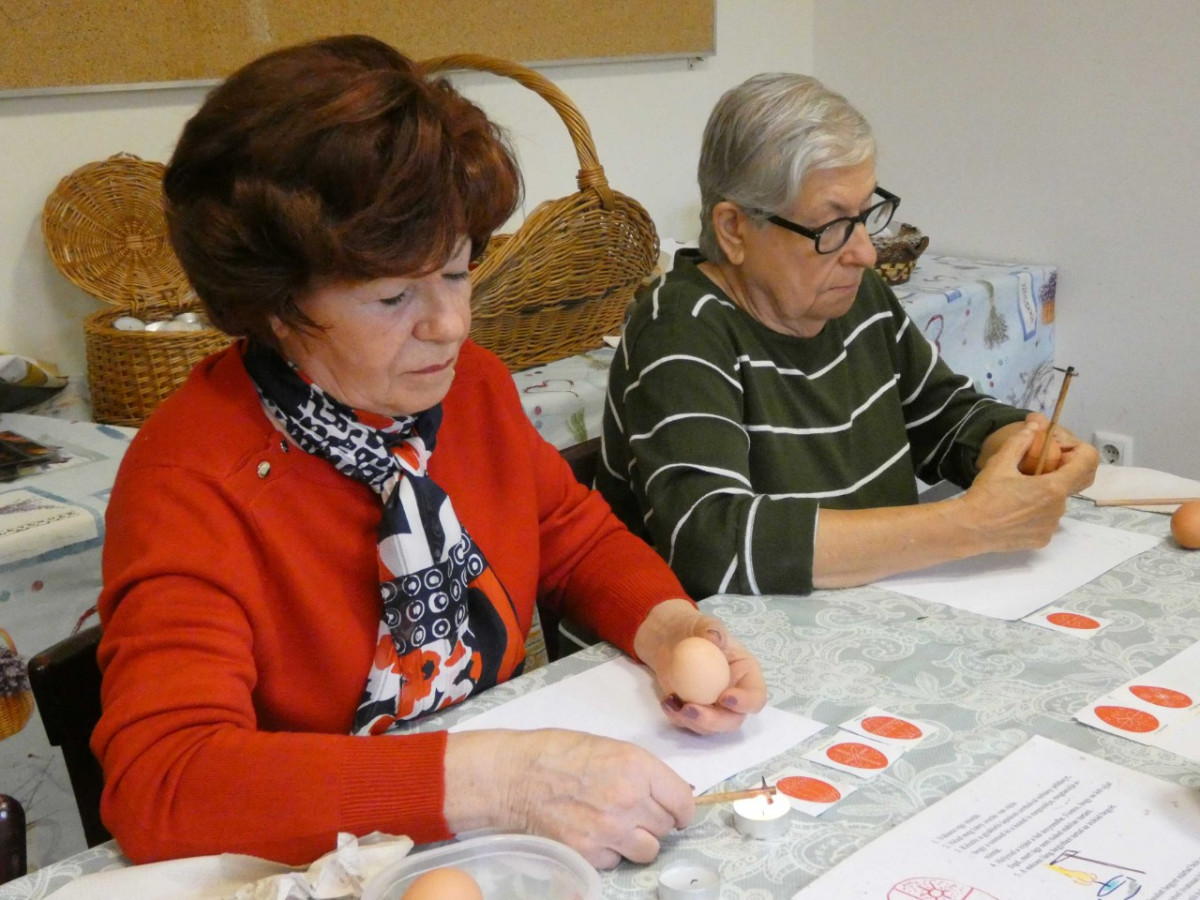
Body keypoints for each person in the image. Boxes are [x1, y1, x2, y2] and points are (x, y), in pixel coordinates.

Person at [91, 35, 766, 870]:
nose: (449, 324)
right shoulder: (192, 477)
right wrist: (501, 782)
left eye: (457, 270)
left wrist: (670, 630)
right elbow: (165, 783)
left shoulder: (469, 389)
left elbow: (570, 536)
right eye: (392, 296)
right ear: (274, 304)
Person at [596, 73, 1099, 598]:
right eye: (831, 227)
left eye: (864, 216)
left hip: (864, 612)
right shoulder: (680, 325)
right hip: (730, 638)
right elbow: (712, 544)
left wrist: (1029, 447)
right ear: (734, 229)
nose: (864, 252)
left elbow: (944, 417)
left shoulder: (853, 297)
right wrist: (969, 525)